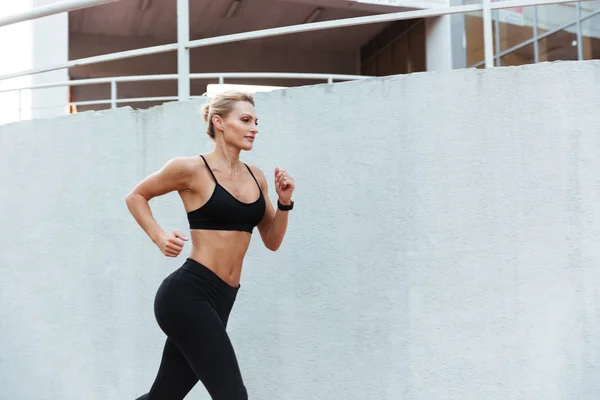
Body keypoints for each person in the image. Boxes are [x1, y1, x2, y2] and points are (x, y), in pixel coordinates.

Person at [126, 90, 295, 400]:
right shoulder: (191, 169)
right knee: (232, 395)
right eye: (244, 120)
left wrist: (284, 203)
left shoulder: (256, 177)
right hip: (187, 295)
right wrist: (159, 236)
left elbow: (271, 240)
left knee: (164, 395)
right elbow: (136, 196)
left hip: (223, 299)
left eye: (256, 121)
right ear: (218, 122)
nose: (253, 128)